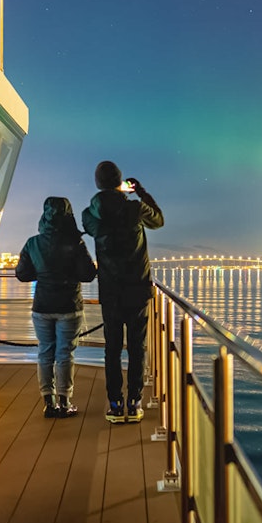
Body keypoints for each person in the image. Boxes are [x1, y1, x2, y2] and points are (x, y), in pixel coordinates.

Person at [82, 161, 164, 424]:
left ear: (98, 183)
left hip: (110, 292)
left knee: (113, 349)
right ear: (120, 183)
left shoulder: (89, 215)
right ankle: (135, 402)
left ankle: (115, 404)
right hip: (137, 290)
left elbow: (93, 226)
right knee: (137, 349)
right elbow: (159, 220)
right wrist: (139, 191)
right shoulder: (135, 208)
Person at [16, 197, 97, 418]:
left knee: (45, 352)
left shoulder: (33, 243)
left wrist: (43, 274)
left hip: (42, 306)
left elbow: (22, 274)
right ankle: (64, 401)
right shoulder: (75, 243)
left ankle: (48, 403)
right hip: (69, 305)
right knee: (64, 354)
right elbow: (88, 274)